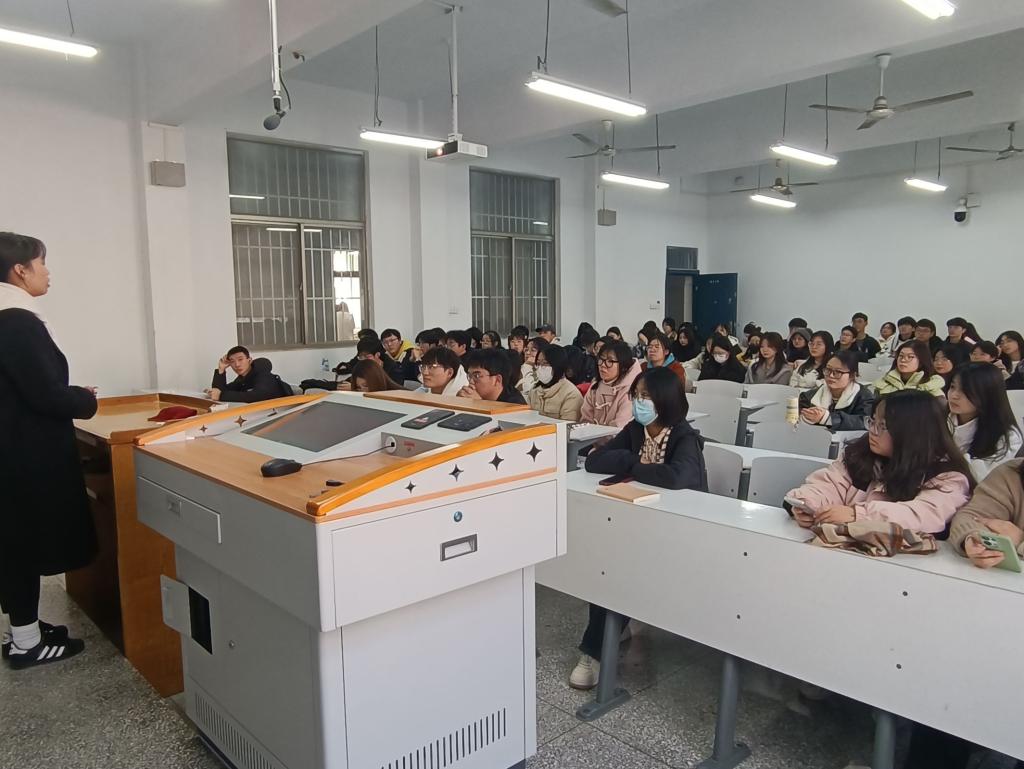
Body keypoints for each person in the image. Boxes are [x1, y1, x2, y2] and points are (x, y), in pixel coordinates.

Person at [571, 367, 708, 689]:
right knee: (607, 566)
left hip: (680, 531)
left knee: (618, 568)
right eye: (636, 395)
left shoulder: (684, 437)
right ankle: (602, 639)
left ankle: (594, 650)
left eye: (646, 396)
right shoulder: (636, 429)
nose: (638, 402)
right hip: (637, 523)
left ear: (666, 400)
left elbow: (678, 477)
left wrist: (634, 465)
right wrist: (634, 462)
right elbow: (595, 461)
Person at [0, 232, 96, 668]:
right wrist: (84, 399)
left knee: (13, 541)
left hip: (11, 450)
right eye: (42, 263)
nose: (47, 271)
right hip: (24, 455)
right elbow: (45, 395)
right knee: (22, 545)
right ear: (20, 270)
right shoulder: (17, 321)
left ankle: (24, 629)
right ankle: (26, 643)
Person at [786, 390, 972, 534]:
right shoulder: (860, 454)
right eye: (873, 422)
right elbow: (830, 484)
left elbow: (922, 515)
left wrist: (857, 515)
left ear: (912, 434)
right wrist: (807, 504)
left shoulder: (947, 476)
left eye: (883, 426)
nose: (873, 431)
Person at [947, 363, 1022, 480]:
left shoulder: (1008, 435)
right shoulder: (939, 417)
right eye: (952, 387)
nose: (954, 395)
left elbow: (985, 477)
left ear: (988, 394)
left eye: (965, 390)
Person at [798, 350, 874, 431]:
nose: (831, 375)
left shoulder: (864, 397)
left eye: (838, 372)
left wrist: (827, 418)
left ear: (852, 375)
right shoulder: (811, 395)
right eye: (828, 370)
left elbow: (865, 422)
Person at [580, 340, 641, 429]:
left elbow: (619, 427)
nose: (603, 365)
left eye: (610, 361)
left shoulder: (631, 390)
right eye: (601, 359)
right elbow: (585, 420)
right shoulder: (595, 387)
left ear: (623, 366)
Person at [207, 346, 290, 403]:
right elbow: (219, 392)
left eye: (240, 359)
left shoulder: (264, 375)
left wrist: (221, 395)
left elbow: (257, 396)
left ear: (249, 360)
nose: (237, 364)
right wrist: (221, 369)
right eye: (232, 361)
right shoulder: (242, 379)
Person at [526, 345, 583, 421]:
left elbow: (568, 424)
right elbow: (527, 418)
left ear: (558, 365)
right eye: (538, 363)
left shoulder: (571, 394)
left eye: (545, 363)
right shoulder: (534, 390)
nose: (540, 367)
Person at [872, 340, 946, 398]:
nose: (903, 360)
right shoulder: (883, 383)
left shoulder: (931, 386)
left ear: (921, 361)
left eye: (910, 357)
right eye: (901, 356)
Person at [458, 348, 526, 404]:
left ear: (497, 380)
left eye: (477, 376)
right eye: (469, 376)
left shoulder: (515, 405)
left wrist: (479, 404)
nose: (471, 381)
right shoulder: (479, 397)